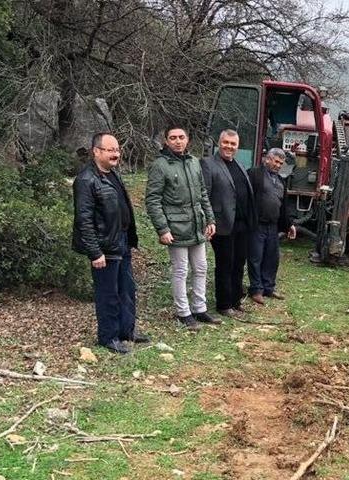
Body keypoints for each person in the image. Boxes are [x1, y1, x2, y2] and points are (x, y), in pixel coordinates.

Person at [72, 132, 148, 354]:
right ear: (96, 151)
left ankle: (127, 330)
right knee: (108, 294)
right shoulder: (86, 180)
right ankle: (109, 337)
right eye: (110, 150)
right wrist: (95, 252)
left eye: (117, 150)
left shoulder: (113, 174)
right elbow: (84, 219)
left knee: (127, 289)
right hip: (104, 246)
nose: (116, 154)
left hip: (121, 241)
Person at [145, 126, 218, 331]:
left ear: (188, 140)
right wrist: (162, 229)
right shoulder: (160, 165)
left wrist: (210, 219)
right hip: (175, 227)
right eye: (173, 138)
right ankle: (183, 312)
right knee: (180, 270)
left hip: (197, 225)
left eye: (181, 137)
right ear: (166, 141)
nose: (178, 141)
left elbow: (203, 193)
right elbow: (153, 200)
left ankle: (199, 308)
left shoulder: (194, 162)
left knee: (201, 267)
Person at [201, 129, 256, 318]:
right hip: (222, 224)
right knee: (225, 264)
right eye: (225, 142)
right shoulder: (208, 164)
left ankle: (235, 300)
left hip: (241, 225)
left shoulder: (239, 165)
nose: (229, 147)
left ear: (237, 147)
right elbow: (204, 195)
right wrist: (209, 220)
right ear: (219, 142)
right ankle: (224, 305)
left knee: (239, 263)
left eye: (233, 144)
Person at [247, 148, 297, 305]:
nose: (278, 165)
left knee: (271, 258)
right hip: (257, 224)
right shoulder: (254, 174)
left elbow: (283, 207)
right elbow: (245, 197)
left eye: (281, 163)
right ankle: (256, 290)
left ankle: (268, 288)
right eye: (276, 161)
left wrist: (289, 225)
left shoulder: (281, 181)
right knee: (256, 257)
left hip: (273, 226)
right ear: (266, 159)